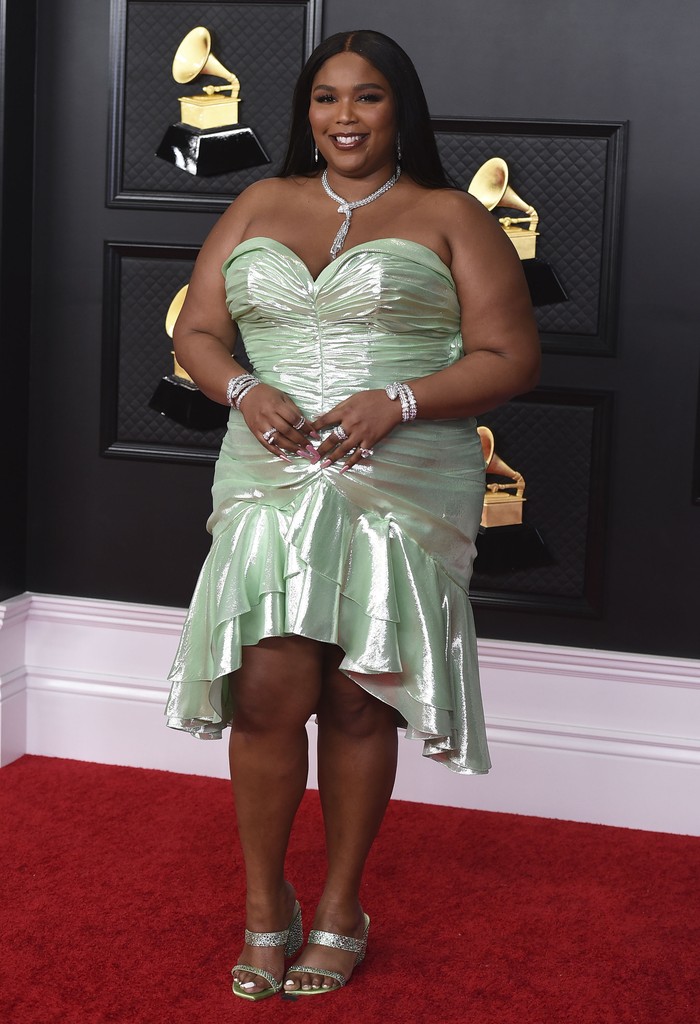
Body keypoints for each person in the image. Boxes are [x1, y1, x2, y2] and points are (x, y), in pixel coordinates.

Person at [165, 29, 540, 1000]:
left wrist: (402, 399)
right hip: (272, 469)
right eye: (326, 97)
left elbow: (510, 357)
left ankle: (340, 906)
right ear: (306, 112)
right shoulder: (258, 202)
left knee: (359, 693)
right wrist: (245, 388)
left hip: (402, 475)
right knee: (267, 689)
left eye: (366, 97)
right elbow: (198, 330)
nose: (344, 116)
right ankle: (265, 905)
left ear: (398, 108)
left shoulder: (451, 214)